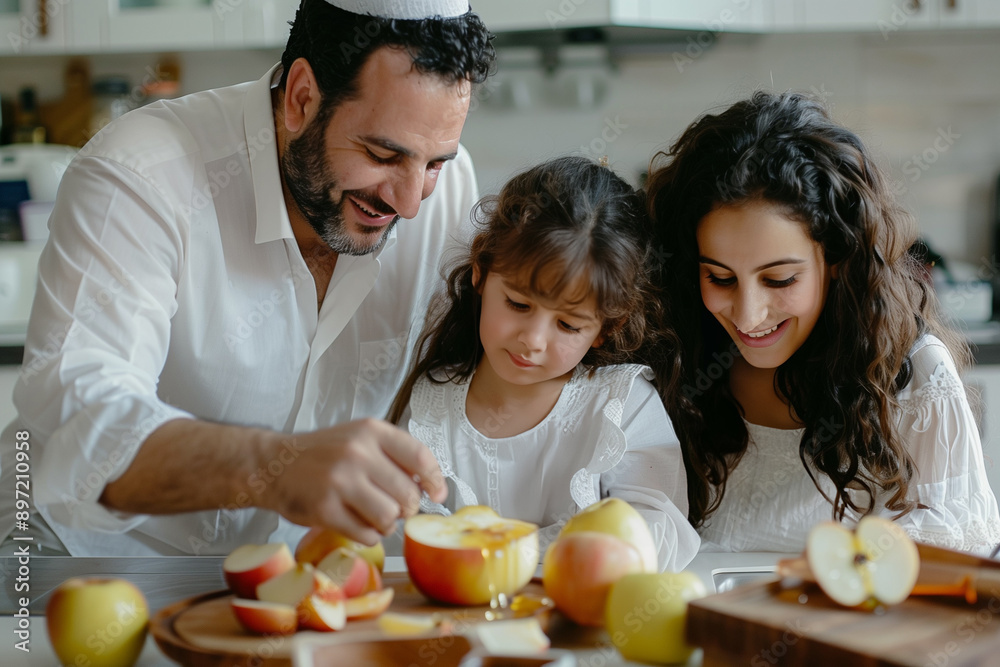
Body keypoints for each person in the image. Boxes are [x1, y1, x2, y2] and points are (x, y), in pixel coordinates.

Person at [0, 0, 496, 557]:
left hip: (291, 574)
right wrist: (277, 468)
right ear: (302, 97)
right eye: (382, 154)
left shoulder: (447, 190)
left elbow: (462, 381)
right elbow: (80, 420)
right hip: (86, 559)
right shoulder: (141, 172)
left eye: (434, 164)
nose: (410, 202)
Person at [644, 91, 1000, 555]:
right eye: (720, 277)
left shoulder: (914, 378)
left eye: (779, 279)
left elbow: (960, 558)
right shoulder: (676, 354)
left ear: (837, 259)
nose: (748, 315)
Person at [387, 156, 701, 572]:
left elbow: (659, 532)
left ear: (605, 329)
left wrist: (521, 555)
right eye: (518, 304)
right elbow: (399, 539)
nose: (532, 341)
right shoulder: (431, 406)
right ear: (481, 272)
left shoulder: (621, 405)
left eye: (568, 325)